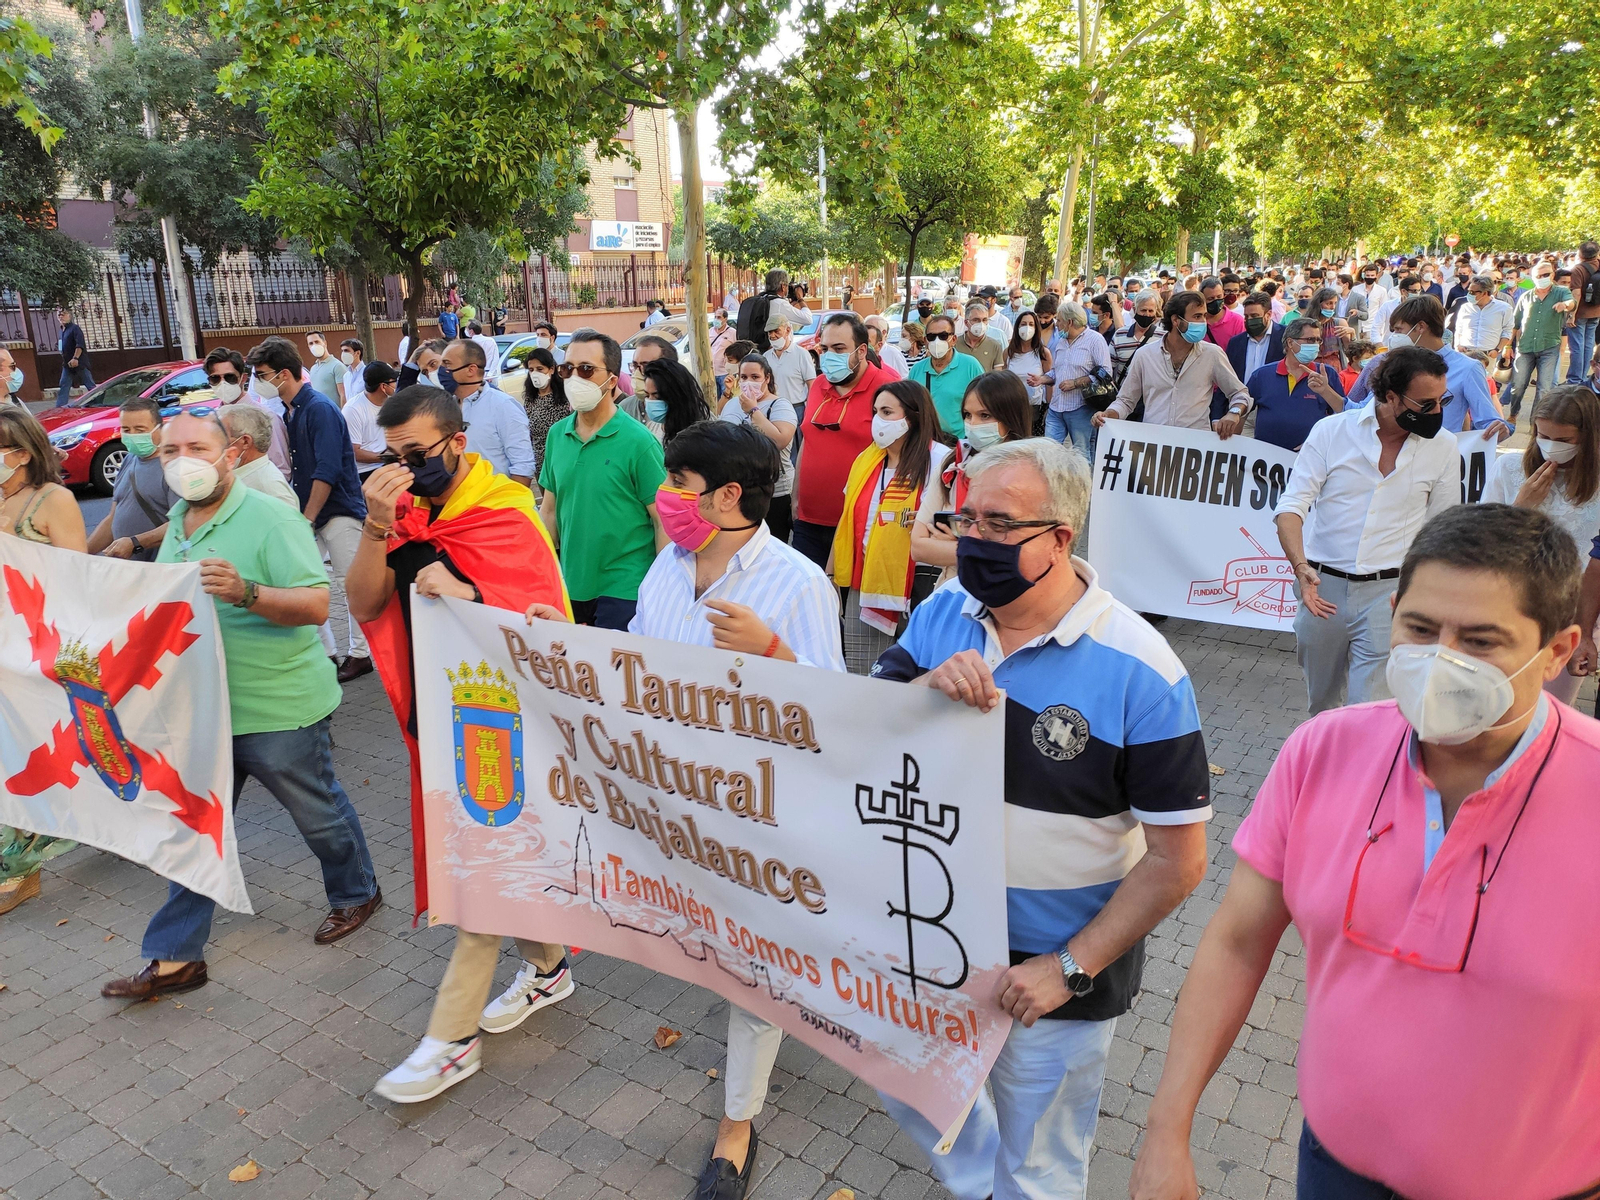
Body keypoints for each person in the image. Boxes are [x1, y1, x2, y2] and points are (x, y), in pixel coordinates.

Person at [1130, 503, 1600, 1200]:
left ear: (1558, 650)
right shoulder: (1322, 751)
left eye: (1480, 641)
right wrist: (1167, 1129)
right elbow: (1236, 942)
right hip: (1332, 1171)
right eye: (1419, 628)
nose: (1442, 660)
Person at [871, 437, 1211, 1200]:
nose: (972, 542)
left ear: (1060, 538)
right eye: (966, 521)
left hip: (1051, 975)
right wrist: (924, 686)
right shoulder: (943, 611)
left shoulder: (1145, 671)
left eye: (999, 525)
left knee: (1043, 1162)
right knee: (915, 1092)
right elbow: (866, 723)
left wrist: (1069, 968)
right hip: (932, 937)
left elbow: (1178, 861)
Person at [534, 420, 842, 1200]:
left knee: (755, 963)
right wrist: (557, 645)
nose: (665, 498)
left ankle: (737, 1123)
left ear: (729, 495)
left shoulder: (795, 584)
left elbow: (839, 715)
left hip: (757, 814)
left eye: (678, 484)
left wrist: (772, 653)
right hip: (669, 804)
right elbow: (633, 663)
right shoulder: (663, 570)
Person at [341, 385, 574, 1102]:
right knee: (482, 844)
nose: (405, 467)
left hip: (500, 720)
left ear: (457, 443)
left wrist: (471, 593)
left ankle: (450, 1038)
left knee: (484, 861)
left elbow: (552, 625)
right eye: (392, 455)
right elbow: (365, 603)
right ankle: (550, 966)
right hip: (437, 717)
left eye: (418, 453)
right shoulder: (402, 513)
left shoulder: (503, 513)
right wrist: (377, 526)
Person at [99, 412, 380, 999]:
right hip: (202, 708)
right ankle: (175, 957)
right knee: (194, 829)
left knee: (319, 814)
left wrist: (246, 593)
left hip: (278, 705)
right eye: (171, 449)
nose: (184, 459)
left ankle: (357, 892)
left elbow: (312, 604)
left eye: (198, 446)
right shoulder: (179, 518)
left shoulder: (270, 515)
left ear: (232, 453)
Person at [1275, 346, 1460, 715]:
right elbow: (1291, 507)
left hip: (1389, 595)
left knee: (1368, 708)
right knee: (1323, 704)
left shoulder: (1443, 447)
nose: (1438, 412)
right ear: (1390, 397)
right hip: (1321, 588)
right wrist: (1301, 569)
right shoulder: (1331, 432)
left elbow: (1443, 529)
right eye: (1426, 404)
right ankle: (1324, 764)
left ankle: (1358, 771)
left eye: (1443, 400)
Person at [247, 336, 373, 683]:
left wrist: (307, 517)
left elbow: (327, 469)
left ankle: (361, 655)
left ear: (283, 374)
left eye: (262, 374)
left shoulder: (318, 408)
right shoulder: (291, 410)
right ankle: (327, 654)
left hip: (339, 511)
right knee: (302, 583)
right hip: (312, 512)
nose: (257, 381)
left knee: (351, 587)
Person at [0, 408, 87, 914]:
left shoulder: (55, 501)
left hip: (40, 652)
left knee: (35, 756)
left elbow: (76, 580)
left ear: (22, 453)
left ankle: (22, 866)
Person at [539, 330, 666, 629]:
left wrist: (661, 587)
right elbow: (548, 510)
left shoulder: (639, 442)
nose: (573, 378)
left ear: (611, 380)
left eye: (586, 369)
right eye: (567, 369)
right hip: (572, 582)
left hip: (625, 587)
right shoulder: (558, 435)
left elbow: (661, 520)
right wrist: (545, 571)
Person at [1483, 384, 1600, 706]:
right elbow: (1482, 541)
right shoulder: (1510, 468)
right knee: (1500, 705)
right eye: (1543, 436)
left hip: (1573, 614)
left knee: (1553, 710)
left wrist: (1586, 630)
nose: (1551, 448)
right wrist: (1521, 508)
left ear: (1588, 439)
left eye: (1563, 441)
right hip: (1512, 605)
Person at [830, 379, 950, 673]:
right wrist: (830, 574)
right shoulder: (866, 460)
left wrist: (924, 523)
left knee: (920, 676)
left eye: (887, 412)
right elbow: (846, 520)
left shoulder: (940, 460)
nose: (877, 420)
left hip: (922, 582)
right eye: (875, 411)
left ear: (913, 416)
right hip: (866, 582)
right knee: (864, 679)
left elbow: (954, 526)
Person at [791, 313, 897, 566]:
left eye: (839, 349)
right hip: (808, 520)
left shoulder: (888, 388)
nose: (829, 356)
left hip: (861, 522)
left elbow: (899, 454)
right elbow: (809, 439)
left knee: (850, 604)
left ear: (861, 351)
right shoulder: (818, 385)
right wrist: (796, 498)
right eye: (824, 348)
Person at [911, 370, 1032, 585]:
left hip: (1005, 596)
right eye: (967, 415)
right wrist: (979, 549)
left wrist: (957, 546)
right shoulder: (952, 466)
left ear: (1010, 416)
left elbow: (1018, 553)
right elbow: (918, 547)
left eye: (985, 415)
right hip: (952, 591)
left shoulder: (1031, 474)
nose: (973, 424)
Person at [1348, 295, 1511, 438]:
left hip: (1437, 462)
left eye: (1399, 330)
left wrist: (1502, 429)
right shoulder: (1387, 361)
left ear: (1420, 327)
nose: (1394, 337)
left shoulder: (1468, 368)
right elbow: (1359, 408)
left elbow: (1489, 423)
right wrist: (1327, 391)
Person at [1094, 290, 1251, 435]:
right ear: (1176, 320)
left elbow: (1240, 393)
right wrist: (1108, 414)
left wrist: (1234, 413)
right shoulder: (1145, 355)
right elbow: (1126, 401)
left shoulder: (1212, 354)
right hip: (1153, 445)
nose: (1203, 322)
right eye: (1197, 317)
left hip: (1195, 449)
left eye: (1204, 316)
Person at [84, 397, 173, 560]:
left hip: (158, 570)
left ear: (160, 429)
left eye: (140, 430)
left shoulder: (173, 468)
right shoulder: (129, 459)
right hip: (127, 569)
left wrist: (135, 543)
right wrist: (82, 554)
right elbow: (113, 517)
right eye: (126, 429)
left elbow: (183, 524)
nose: (132, 436)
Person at [720, 353, 796, 542]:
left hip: (774, 492)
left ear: (767, 378)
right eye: (744, 377)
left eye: (755, 377)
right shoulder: (732, 404)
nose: (748, 382)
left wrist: (754, 411)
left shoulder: (780, 405)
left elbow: (779, 440)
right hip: (738, 490)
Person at [441, 338, 536, 485]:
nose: (441, 370)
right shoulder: (445, 408)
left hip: (496, 503)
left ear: (471, 370)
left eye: (447, 364)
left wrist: (506, 505)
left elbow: (523, 468)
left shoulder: (503, 406)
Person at [1244, 318, 1347, 451]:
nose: (1316, 345)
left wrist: (1320, 442)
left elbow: (1342, 417)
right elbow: (1243, 407)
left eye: (1318, 340)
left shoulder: (1327, 374)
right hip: (1266, 461)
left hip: (1311, 457)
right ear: (1290, 343)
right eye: (1310, 340)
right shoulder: (1262, 375)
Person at [1507, 262, 1575, 424]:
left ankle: (1535, 422)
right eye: (1540, 275)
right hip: (1525, 347)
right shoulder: (1526, 297)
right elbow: (1515, 325)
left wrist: (1565, 305)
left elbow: (1571, 303)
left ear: (1552, 275)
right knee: (1518, 385)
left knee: (1544, 388)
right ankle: (1513, 413)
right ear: (1533, 277)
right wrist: (1508, 346)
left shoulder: (1561, 292)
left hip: (1549, 347)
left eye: (1547, 274)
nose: (1544, 278)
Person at [1043, 301, 1112, 458]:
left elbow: (1105, 373)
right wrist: (1042, 379)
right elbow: (1057, 371)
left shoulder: (1095, 340)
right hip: (1056, 407)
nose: (1056, 324)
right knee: (1048, 452)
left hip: (1080, 407)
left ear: (1069, 322)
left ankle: (1085, 482)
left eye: (1059, 320)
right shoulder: (1060, 341)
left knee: (1082, 454)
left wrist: (1075, 383)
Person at [206, 348, 291, 476]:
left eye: (230, 377)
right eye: (215, 379)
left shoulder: (266, 417)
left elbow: (282, 470)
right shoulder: (211, 420)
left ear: (243, 378)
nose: (222, 383)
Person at [909, 311, 986, 438]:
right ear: (925, 341)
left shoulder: (970, 366)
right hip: (927, 442)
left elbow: (985, 404)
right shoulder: (917, 370)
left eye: (943, 336)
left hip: (961, 443)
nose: (937, 341)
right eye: (931, 337)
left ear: (953, 339)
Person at [220, 403, 300, 510]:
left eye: (221, 436)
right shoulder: (243, 474)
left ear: (245, 441)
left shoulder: (270, 488)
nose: (216, 443)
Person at [638, 357, 711, 446]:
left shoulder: (705, 431)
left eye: (657, 396)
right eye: (647, 395)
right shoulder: (652, 428)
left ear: (676, 396)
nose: (650, 401)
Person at [520, 347, 569, 479]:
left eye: (540, 369)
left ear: (551, 369)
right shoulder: (531, 400)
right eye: (531, 370)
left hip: (563, 461)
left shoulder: (565, 398)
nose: (535, 373)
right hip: (540, 464)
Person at [1225, 292, 1285, 397]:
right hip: (1242, 403)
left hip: (1274, 402)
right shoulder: (1235, 343)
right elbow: (1227, 379)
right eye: (1246, 316)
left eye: (1254, 316)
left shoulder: (1285, 337)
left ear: (1269, 314)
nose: (1249, 320)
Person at [345, 360, 398, 479]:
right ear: (383, 386)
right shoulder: (353, 410)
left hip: (389, 464)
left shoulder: (391, 403)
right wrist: (387, 457)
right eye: (394, 381)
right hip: (366, 472)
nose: (396, 385)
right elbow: (354, 452)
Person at [736, 268, 808, 351]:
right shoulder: (780, 303)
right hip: (775, 354)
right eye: (787, 285)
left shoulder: (760, 300)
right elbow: (807, 319)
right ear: (783, 286)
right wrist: (800, 298)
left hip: (755, 351)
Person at [1453, 274, 1515, 361]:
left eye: (1472, 292)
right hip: (1465, 353)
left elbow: (1507, 331)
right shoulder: (1465, 308)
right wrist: (1458, 345)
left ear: (1485, 293)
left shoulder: (1504, 308)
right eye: (1469, 291)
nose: (1469, 295)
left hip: (1488, 356)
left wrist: (1497, 350)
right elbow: (1459, 329)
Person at [1566, 240, 1600, 383]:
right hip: (1596, 312)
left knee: (1577, 347)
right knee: (1588, 345)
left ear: (1580, 254)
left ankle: (1575, 378)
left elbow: (1577, 293)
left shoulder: (1578, 269)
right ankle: (1583, 375)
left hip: (1580, 313)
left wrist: (1571, 315)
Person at [1005, 306, 1053, 407]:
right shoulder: (1008, 352)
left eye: (1031, 324)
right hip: (1011, 405)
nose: (1027, 328)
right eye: (1023, 324)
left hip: (1034, 406)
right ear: (1017, 327)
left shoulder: (1043, 353)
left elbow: (1050, 380)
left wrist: (1049, 406)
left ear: (1036, 328)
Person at [1112, 291, 1162, 386]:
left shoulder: (1162, 336)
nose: (1147, 314)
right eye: (1143, 310)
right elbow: (1110, 366)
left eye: (1151, 311)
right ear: (1135, 309)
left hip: (1151, 396)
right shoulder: (1119, 334)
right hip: (1124, 395)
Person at [54, 306, 92, 404]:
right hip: (67, 364)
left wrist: (75, 358)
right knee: (64, 385)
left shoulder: (75, 328)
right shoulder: (62, 330)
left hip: (79, 363)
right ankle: (60, 408)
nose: (61, 316)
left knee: (90, 385)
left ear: (69, 316)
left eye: (64, 314)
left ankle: (100, 402)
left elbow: (80, 345)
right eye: (59, 315)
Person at [957, 300, 1005, 371]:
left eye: (984, 320)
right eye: (976, 320)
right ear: (966, 322)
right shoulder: (955, 344)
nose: (981, 324)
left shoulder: (995, 346)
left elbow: (997, 375)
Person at [1199, 276, 1244, 349]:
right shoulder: (1196, 321)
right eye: (1211, 298)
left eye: (1219, 297)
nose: (1216, 301)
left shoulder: (1237, 321)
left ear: (1223, 294)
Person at [865, 313, 908, 378]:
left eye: (871, 327)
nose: (866, 331)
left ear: (884, 332)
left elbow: (904, 379)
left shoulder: (894, 354)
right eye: (865, 327)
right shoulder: (858, 353)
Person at [305, 331, 344, 403]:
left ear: (325, 343)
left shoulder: (337, 366)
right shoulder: (313, 369)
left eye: (317, 342)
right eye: (311, 343)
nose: (314, 345)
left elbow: (343, 395)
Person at [709, 307, 736, 394]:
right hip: (711, 372)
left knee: (726, 397)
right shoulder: (710, 331)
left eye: (719, 317)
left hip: (725, 372)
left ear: (725, 319)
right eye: (715, 317)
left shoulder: (732, 333)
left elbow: (737, 351)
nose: (716, 319)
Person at [336, 338, 366, 407]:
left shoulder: (367, 373)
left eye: (346, 350)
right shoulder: (346, 376)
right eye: (342, 351)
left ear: (357, 353)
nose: (343, 354)